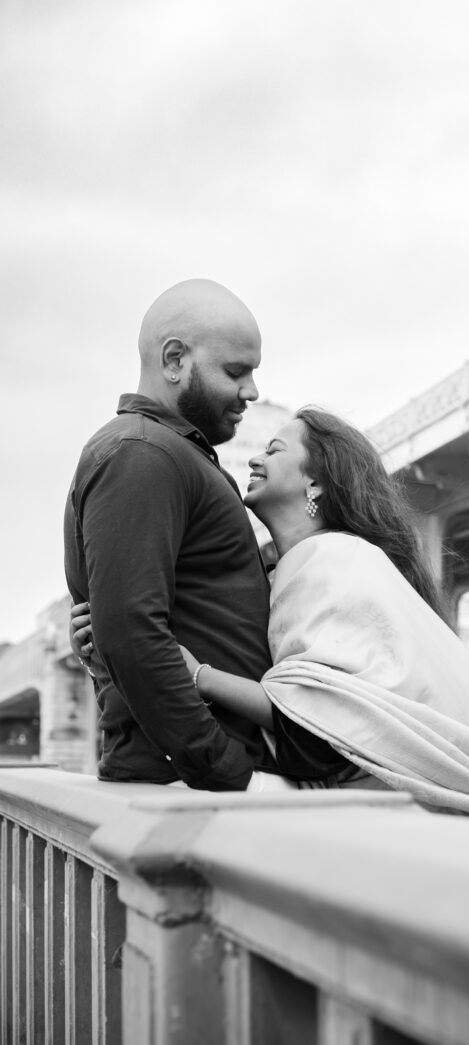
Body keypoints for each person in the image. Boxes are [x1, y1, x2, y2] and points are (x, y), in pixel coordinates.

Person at [71, 404, 469, 817]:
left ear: (315, 484)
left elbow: (322, 723)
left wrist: (198, 675)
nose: (255, 458)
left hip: (388, 807)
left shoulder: (333, 560)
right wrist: (110, 656)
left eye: (275, 450)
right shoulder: (287, 570)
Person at [64, 280, 345, 791]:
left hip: (200, 786)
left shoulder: (164, 454)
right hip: (195, 793)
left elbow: (139, 627)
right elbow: (132, 632)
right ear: (175, 360)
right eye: (235, 372)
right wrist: (228, 772)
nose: (252, 392)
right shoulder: (144, 455)